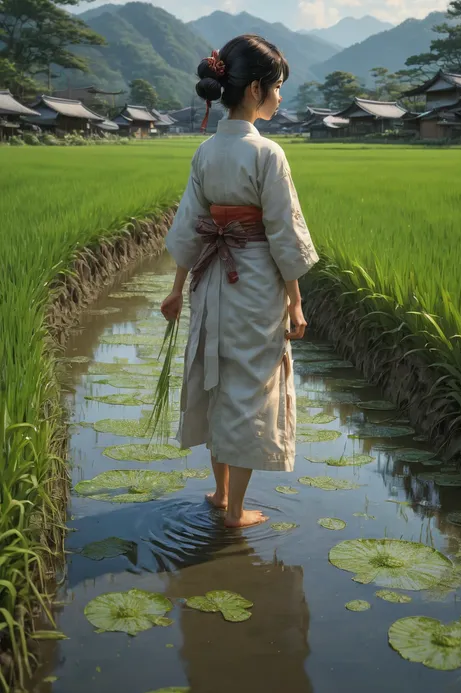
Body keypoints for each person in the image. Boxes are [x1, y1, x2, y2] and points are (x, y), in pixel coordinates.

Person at [161, 35, 319, 528]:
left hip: (210, 280)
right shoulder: (268, 153)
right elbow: (284, 232)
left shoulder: (206, 152)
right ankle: (234, 512)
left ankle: (219, 491)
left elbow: (190, 223)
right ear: (255, 89)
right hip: (252, 282)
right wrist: (295, 303)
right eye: (277, 87)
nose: (279, 97)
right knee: (251, 388)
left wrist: (174, 288)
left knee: (216, 376)